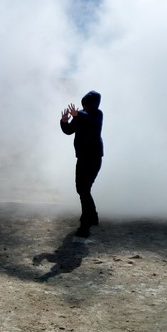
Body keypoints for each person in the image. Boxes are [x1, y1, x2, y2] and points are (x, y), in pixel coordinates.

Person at [60, 90, 103, 238]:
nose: (84, 107)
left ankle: (86, 225)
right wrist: (64, 121)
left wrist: (78, 114)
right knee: (82, 189)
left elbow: (89, 119)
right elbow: (69, 130)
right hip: (82, 158)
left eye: (87, 104)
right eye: (83, 104)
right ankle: (93, 216)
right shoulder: (80, 115)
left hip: (94, 158)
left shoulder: (97, 115)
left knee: (84, 190)